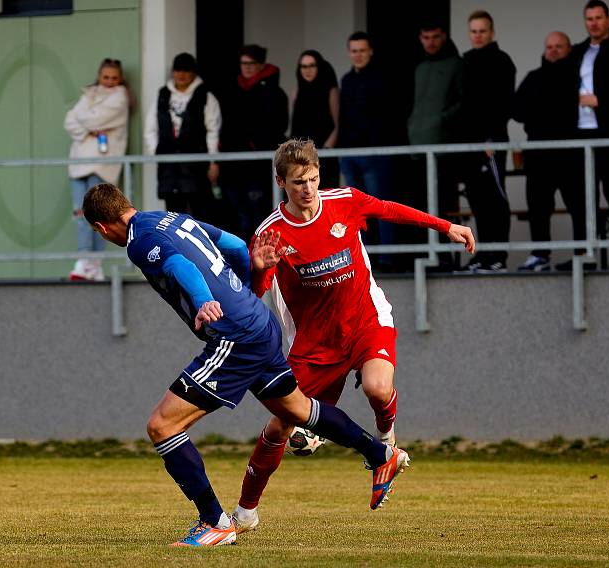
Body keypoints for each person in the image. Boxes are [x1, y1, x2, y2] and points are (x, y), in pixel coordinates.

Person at [82, 182, 411, 547]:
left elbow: (178, 265)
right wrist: (248, 282)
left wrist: (205, 300)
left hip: (234, 337)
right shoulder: (167, 218)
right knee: (298, 410)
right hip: (259, 322)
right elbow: (236, 245)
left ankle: (215, 523)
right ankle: (380, 452)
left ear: (101, 228)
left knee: (162, 426)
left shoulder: (139, 241)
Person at [228, 139, 475, 534]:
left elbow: (391, 210)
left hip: (364, 319)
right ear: (280, 182)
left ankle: (386, 444)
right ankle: (245, 512)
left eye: (312, 178)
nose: (307, 188)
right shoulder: (271, 234)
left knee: (377, 389)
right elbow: (256, 296)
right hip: (312, 344)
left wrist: (446, 226)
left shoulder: (345, 201)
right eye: (297, 182)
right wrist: (259, 269)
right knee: (277, 428)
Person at [514, 32, 583, 272]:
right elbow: (517, 110)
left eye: (559, 46)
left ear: (569, 49)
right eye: (549, 47)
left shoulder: (577, 76)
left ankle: (582, 253)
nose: (553, 50)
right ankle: (540, 254)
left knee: (578, 204)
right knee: (538, 206)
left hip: (571, 154)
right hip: (539, 154)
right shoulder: (534, 78)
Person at [338, 32, 403, 268]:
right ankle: (363, 259)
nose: (358, 55)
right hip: (350, 153)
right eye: (354, 51)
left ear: (371, 51)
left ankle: (387, 258)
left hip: (376, 153)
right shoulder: (346, 80)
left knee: (379, 207)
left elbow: (388, 116)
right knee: (355, 211)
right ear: (348, 52)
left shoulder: (383, 78)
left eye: (362, 50)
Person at [459, 10, 516, 273]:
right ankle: (482, 254)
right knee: (478, 201)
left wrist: (491, 137)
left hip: (491, 143)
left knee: (495, 200)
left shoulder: (502, 61)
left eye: (482, 31)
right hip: (467, 145)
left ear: (491, 32)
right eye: (473, 31)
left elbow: (503, 104)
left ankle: (498, 256)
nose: (478, 36)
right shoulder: (466, 61)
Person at [64, 58, 130, 281]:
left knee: (98, 215)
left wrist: (86, 124)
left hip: (102, 164)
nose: (110, 81)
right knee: (79, 213)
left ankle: (95, 263)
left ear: (120, 79)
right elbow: (69, 120)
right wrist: (86, 130)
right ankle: (85, 261)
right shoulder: (89, 94)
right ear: (99, 77)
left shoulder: (120, 97)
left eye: (114, 77)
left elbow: (91, 120)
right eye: (105, 77)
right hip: (78, 163)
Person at [407, 20, 464, 269]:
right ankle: (426, 255)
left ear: (444, 37)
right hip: (417, 147)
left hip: (443, 148)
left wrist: (441, 121)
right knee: (419, 205)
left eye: (435, 36)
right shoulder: (418, 67)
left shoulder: (456, 64)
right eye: (426, 36)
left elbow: (463, 102)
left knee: (441, 204)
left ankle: (444, 258)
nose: (431, 42)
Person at [570, 0, 609, 269]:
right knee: (581, 196)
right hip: (581, 133)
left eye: (599, 17)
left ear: (608, 18)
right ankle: (583, 254)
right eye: (589, 18)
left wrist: (603, 101)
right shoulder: (578, 51)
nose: (594, 23)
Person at [219, 44, 289, 239]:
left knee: (260, 213)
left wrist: (255, 144)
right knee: (238, 214)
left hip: (258, 165)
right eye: (243, 63)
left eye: (251, 63)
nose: (247, 67)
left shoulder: (274, 92)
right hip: (233, 164)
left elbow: (278, 126)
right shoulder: (233, 90)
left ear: (261, 64)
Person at [144, 53, 221, 222]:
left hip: (196, 166)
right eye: (178, 70)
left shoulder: (206, 96)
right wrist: (157, 152)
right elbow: (150, 128)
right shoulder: (162, 95)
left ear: (194, 73)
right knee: (173, 218)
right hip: (169, 168)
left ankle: (201, 248)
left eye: (186, 70)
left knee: (201, 215)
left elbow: (212, 130)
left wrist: (213, 161)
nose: (181, 75)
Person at [289, 49, 340, 190]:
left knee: (325, 195)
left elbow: (337, 123)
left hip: (323, 153)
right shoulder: (297, 91)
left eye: (312, 65)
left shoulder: (330, 89)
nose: (307, 70)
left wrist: (327, 148)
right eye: (304, 66)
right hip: (300, 156)